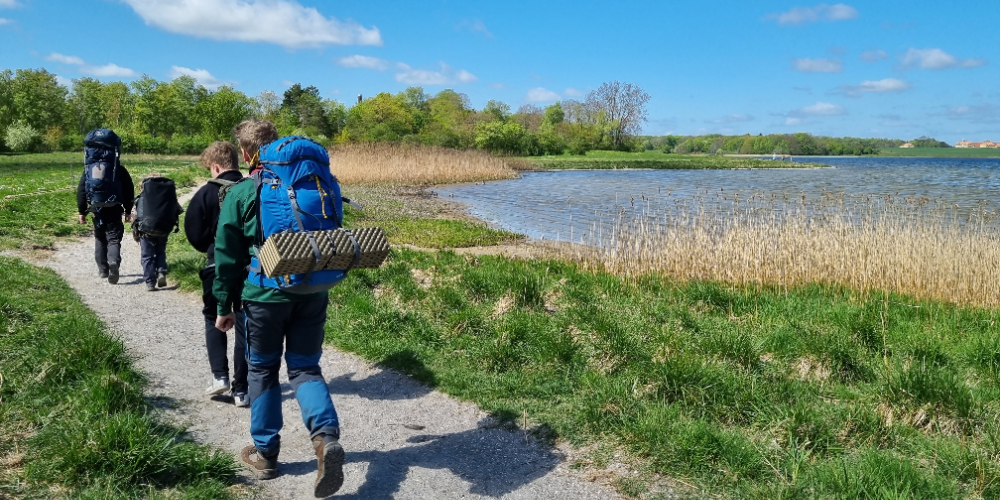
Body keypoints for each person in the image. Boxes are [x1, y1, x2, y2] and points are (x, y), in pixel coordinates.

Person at [214, 120, 344, 497]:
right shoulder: (318, 182)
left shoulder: (244, 191)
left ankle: (266, 453)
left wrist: (223, 305)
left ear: (245, 152)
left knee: (262, 369)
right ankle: (325, 438)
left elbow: (226, 255)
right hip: (313, 292)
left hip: (264, 298)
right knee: (305, 368)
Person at [185, 141, 249, 406]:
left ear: (215, 166)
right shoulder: (251, 188)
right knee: (245, 324)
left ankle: (219, 376)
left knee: (214, 317)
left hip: (216, 266)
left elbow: (194, 233)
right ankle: (242, 390)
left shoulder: (205, 193)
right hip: (249, 268)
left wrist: (211, 248)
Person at [77, 128, 134, 284]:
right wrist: (128, 210)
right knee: (114, 239)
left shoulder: (88, 169)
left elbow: (82, 190)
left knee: (100, 238)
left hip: (96, 209)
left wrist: (82, 211)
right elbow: (129, 190)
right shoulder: (119, 170)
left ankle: (103, 270)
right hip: (114, 207)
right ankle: (113, 261)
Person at [131, 176, 183, 291]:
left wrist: (136, 235)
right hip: (164, 229)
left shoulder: (141, 199)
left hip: (146, 230)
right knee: (160, 251)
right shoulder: (167, 197)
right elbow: (179, 210)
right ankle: (161, 271)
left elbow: (134, 218)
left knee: (147, 256)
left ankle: (150, 282)